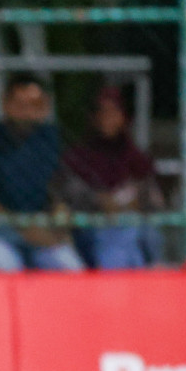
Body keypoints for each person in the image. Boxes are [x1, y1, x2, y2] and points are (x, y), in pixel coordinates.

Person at [0, 73, 84, 272]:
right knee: (3, 268)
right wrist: (23, 229)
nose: (27, 111)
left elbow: (63, 185)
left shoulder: (53, 139)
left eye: (35, 104)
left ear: (45, 106)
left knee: (72, 270)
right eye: (20, 104)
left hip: (44, 228)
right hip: (0, 229)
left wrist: (60, 212)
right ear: (6, 103)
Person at [61, 85, 164, 269]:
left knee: (134, 232)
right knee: (117, 237)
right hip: (92, 227)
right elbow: (71, 199)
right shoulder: (77, 158)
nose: (108, 118)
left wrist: (133, 204)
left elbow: (154, 201)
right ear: (92, 117)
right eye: (103, 112)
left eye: (114, 111)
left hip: (132, 224)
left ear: (124, 117)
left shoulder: (136, 158)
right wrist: (100, 201)